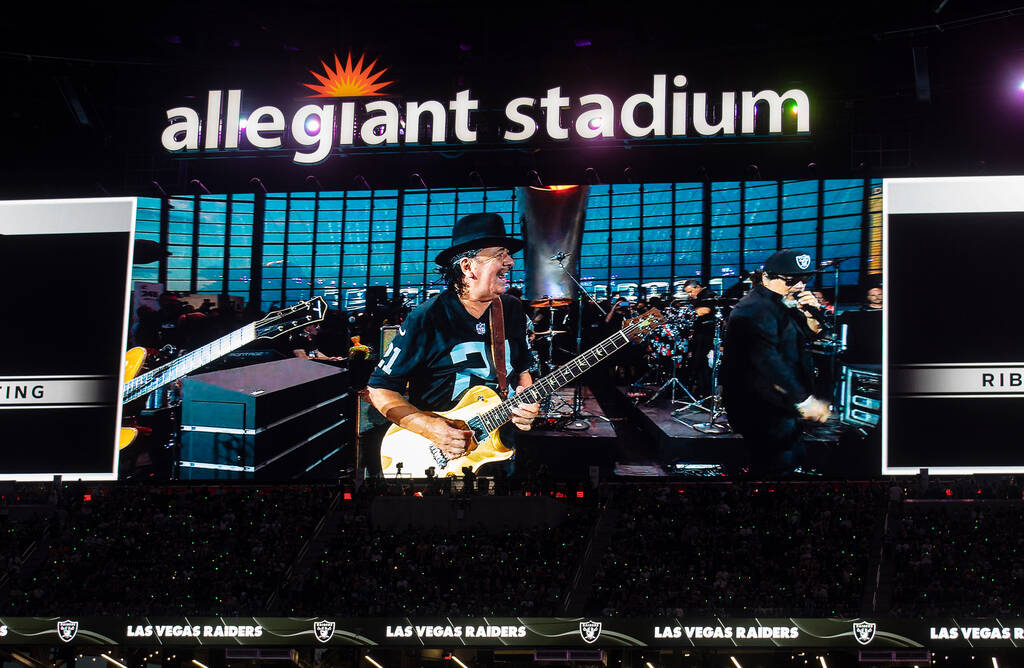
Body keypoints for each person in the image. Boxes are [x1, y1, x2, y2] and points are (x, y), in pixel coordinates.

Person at [366, 213, 540, 463]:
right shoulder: (428, 317)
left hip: (502, 445)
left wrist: (527, 405)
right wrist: (429, 428)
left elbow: (522, 370)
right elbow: (379, 388)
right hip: (440, 455)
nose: (510, 262)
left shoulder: (511, 309)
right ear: (468, 267)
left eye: (508, 255)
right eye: (499, 255)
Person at [721, 249, 831, 476]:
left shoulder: (784, 302)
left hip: (783, 405)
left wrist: (811, 313)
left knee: (786, 463)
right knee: (773, 468)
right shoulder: (753, 308)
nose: (799, 286)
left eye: (805, 279)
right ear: (766, 277)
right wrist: (804, 401)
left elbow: (811, 335)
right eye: (791, 280)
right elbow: (767, 362)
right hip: (763, 408)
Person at [682, 279, 718, 397]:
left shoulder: (708, 295)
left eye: (690, 291)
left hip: (706, 334)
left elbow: (705, 310)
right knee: (698, 361)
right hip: (700, 332)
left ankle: (705, 391)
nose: (690, 294)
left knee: (703, 361)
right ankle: (700, 389)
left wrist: (688, 313)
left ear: (697, 287)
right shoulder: (698, 297)